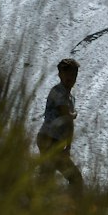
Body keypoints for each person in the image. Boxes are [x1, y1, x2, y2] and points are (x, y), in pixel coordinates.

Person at [36, 57, 84, 194]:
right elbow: (66, 115)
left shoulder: (70, 98)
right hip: (47, 139)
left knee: (47, 178)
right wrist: (73, 114)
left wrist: (68, 146)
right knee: (72, 177)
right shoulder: (57, 92)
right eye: (67, 74)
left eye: (74, 75)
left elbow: (69, 124)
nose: (71, 78)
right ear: (60, 74)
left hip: (56, 142)